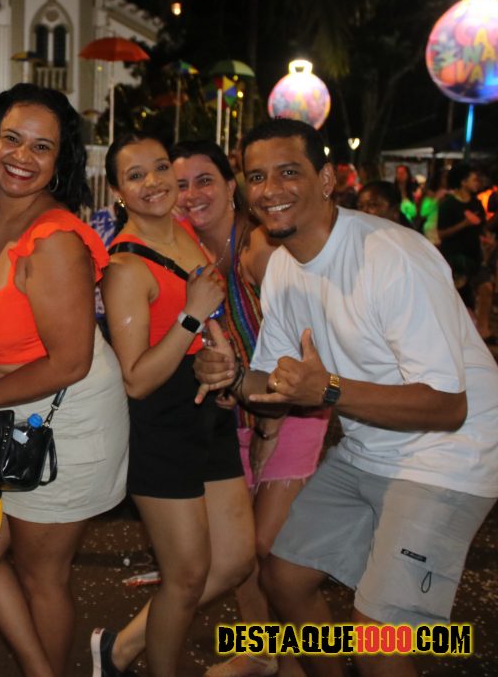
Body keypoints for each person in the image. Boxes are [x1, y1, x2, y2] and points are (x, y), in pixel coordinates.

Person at [195, 118, 498, 677]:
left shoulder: (390, 257)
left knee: (377, 639)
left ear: (327, 179)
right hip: (368, 449)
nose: (271, 189)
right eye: (257, 177)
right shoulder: (283, 269)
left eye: (289, 172)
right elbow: (272, 383)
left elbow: (448, 406)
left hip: (451, 453)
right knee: (284, 577)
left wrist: (330, 389)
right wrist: (231, 377)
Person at [0, 83, 129, 677]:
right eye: (12, 139)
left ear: (60, 161)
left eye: (42, 147)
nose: (22, 156)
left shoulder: (57, 241)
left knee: (41, 573)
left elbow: (70, 362)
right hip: (0, 408)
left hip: (64, 415)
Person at [92, 133, 254, 677]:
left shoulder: (184, 231)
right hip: (159, 426)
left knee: (233, 560)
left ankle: (116, 651)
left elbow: (208, 322)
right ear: (118, 190)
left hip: (208, 411)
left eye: (160, 168)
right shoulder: (125, 267)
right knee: (184, 576)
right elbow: (136, 380)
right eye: (135, 175)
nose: (154, 183)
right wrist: (191, 316)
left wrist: (221, 357)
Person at [172, 140, 329, 677]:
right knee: (241, 552)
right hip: (235, 412)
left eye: (204, 180)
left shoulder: (257, 247)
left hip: (292, 409)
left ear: (229, 185)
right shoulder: (189, 252)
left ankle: (308, 662)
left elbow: (297, 341)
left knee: (270, 547)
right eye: (181, 185)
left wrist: (268, 427)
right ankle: (264, 653)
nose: (192, 194)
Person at [437, 163, 493, 344]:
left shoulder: (476, 203)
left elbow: (481, 228)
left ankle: (484, 331)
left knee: (486, 288)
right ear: (463, 182)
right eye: (473, 179)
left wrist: (486, 240)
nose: (477, 183)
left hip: (474, 257)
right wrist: (464, 224)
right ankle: (456, 335)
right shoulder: (448, 204)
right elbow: (441, 233)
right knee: (458, 298)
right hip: (455, 259)